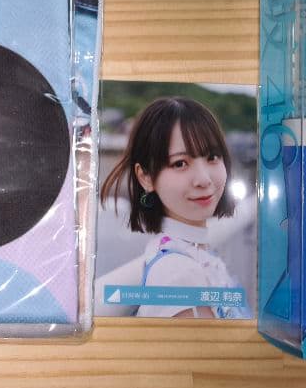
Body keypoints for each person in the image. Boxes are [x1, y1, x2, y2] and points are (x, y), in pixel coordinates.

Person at [100, 96, 248, 319]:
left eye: (212, 157)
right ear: (146, 177)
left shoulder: (193, 253)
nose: (204, 179)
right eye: (180, 163)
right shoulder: (179, 275)